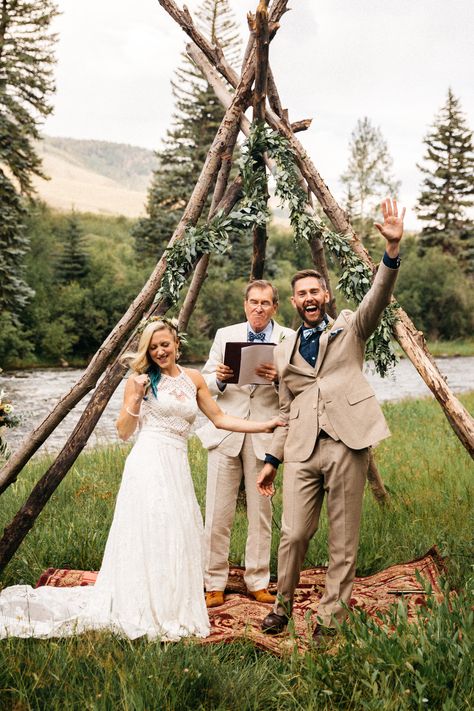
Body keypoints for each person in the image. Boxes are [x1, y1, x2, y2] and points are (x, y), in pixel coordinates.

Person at [0, 318, 281, 641]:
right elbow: (122, 432)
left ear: (177, 344)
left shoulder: (193, 380)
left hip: (176, 465)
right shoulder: (141, 380)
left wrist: (265, 425)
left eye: (165, 344)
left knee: (178, 530)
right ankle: (141, 606)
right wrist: (134, 398)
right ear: (147, 350)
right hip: (148, 461)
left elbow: (219, 417)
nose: (160, 351)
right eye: (153, 346)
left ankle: (172, 604)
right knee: (151, 531)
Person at [257, 198, 405, 640]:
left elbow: (378, 298)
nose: (308, 299)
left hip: (347, 442)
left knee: (343, 540)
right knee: (294, 534)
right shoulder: (281, 349)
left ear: (326, 295)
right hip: (302, 447)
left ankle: (329, 619)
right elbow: (284, 410)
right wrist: (272, 459)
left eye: (314, 292)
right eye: (301, 294)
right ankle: (282, 607)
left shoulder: (350, 327)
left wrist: (391, 253)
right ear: (293, 302)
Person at [196, 280, 294, 608]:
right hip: (227, 433)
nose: (258, 308)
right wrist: (220, 378)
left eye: (265, 303)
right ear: (245, 305)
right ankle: (214, 582)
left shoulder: (287, 338)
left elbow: (298, 385)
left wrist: (279, 378)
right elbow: (205, 382)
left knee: (261, 513)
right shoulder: (226, 335)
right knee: (218, 512)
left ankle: (258, 580)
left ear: (275, 307)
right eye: (253, 302)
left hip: (265, 437)